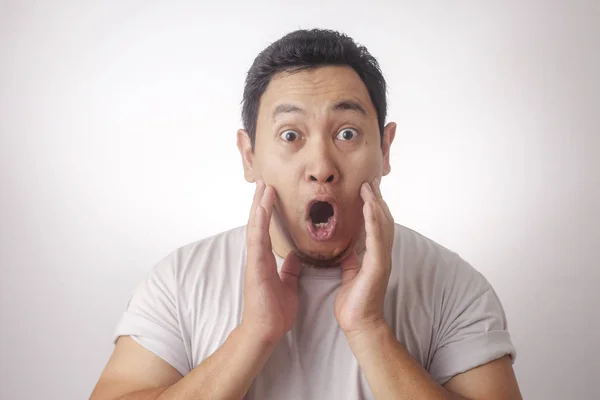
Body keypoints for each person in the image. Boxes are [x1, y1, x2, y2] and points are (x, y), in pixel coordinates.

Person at [90, 29, 523, 400]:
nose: (321, 166)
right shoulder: (180, 281)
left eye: (347, 133)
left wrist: (369, 330)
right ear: (250, 156)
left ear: (385, 150)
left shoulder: (453, 285)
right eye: (291, 134)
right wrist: (253, 335)